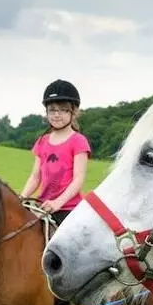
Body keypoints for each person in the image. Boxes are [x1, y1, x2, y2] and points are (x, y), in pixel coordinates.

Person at [19, 79, 91, 226]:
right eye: (52, 110)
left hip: (68, 208)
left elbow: (78, 179)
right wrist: (21, 197)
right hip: (42, 205)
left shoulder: (78, 141)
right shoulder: (42, 141)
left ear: (74, 112)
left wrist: (58, 202)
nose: (57, 114)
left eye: (63, 109)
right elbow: (35, 177)